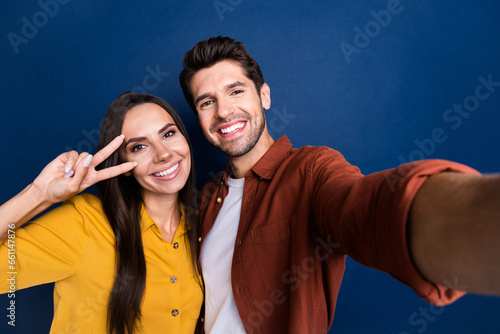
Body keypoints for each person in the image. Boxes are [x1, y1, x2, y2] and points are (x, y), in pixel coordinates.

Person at [179, 36, 500, 333]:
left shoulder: (311, 170)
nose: (223, 111)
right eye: (207, 102)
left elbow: (365, 208)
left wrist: (475, 220)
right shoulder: (206, 199)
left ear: (264, 96)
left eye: (236, 91)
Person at [0, 92, 203, 333]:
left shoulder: (204, 226)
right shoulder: (84, 223)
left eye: (168, 134)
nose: (164, 154)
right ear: (123, 165)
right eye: (139, 147)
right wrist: (39, 195)